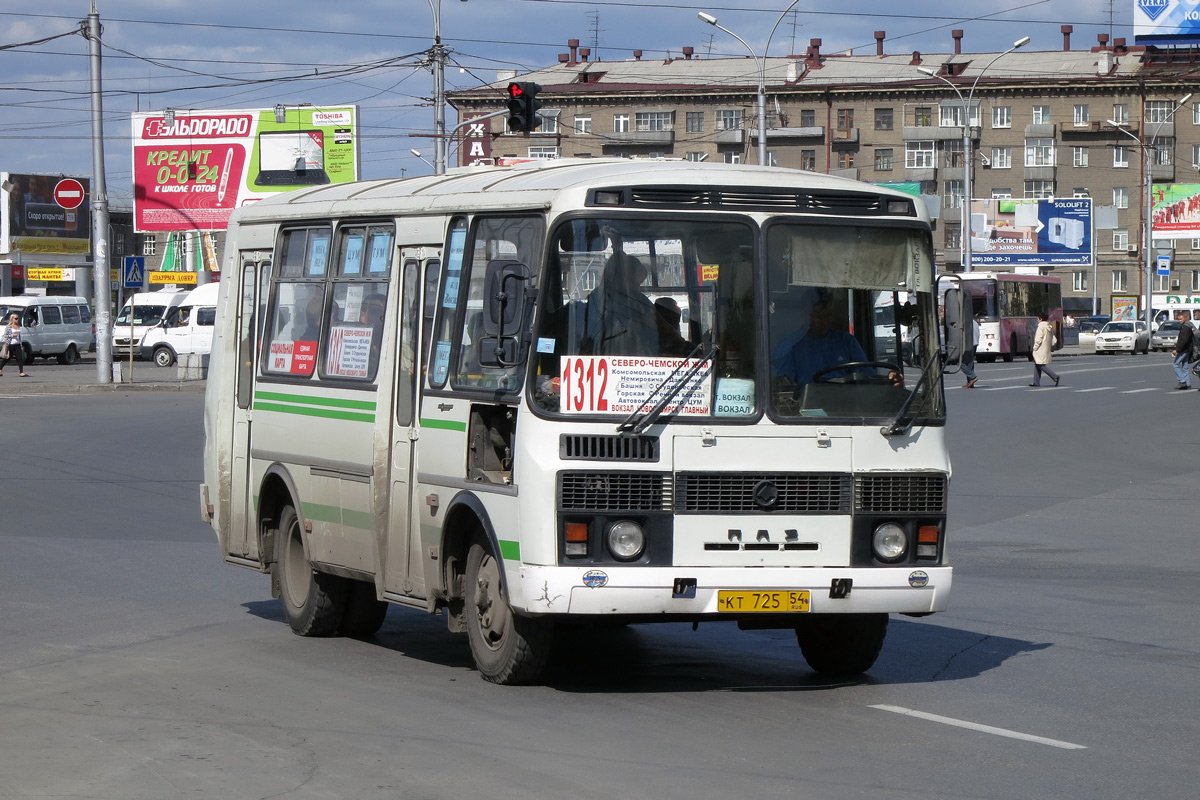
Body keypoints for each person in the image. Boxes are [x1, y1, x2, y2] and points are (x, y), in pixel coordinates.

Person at [777, 294, 869, 385]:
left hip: (844, 397)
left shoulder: (847, 342)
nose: (821, 321)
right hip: (807, 398)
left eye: (826, 316)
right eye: (815, 316)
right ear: (803, 314)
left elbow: (867, 376)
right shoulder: (790, 346)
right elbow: (784, 386)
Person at [583, 252, 659, 355]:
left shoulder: (593, 299)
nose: (638, 288)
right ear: (624, 278)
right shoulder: (639, 303)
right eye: (636, 282)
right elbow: (661, 330)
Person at [1030, 312, 1060, 388]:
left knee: (1040, 365)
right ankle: (1036, 382)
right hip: (1046, 349)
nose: (1037, 320)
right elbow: (1054, 340)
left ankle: (1055, 376)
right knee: (1037, 364)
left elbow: (1038, 339)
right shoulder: (1049, 327)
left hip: (1040, 349)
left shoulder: (1041, 327)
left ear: (1040, 319)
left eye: (1038, 318)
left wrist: (1035, 348)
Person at [1172, 312, 1197, 390]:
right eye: (1178, 319)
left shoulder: (1185, 327)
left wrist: (1177, 349)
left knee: (1175, 364)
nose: (1179, 321)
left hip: (1184, 349)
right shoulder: (1189, 326)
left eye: (1181, 319)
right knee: (1185, 366)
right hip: (1188, 349)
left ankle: (1182, 381)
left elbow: (1184, 340)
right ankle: (1188, 384)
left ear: (1185, 318)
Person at [0, 313, 29, 377]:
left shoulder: (18, 326)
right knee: (7, 358)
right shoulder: (9, 326)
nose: (17, 320)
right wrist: (12, 335)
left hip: (18, 344)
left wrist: (20, 342)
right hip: (10, 344)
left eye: (18, 318)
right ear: (12, 319)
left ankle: (21, 372)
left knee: (20, 358)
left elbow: (19, 335)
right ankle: (0, 369)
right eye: (16, 319)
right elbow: (5, 335)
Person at [961, 314, 980, 388]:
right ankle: (970, 383)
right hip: (975, 344)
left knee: (960, 362)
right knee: (970, 363)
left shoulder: (965, 323)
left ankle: (972, 377)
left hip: (968, 344)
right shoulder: (974, 322)